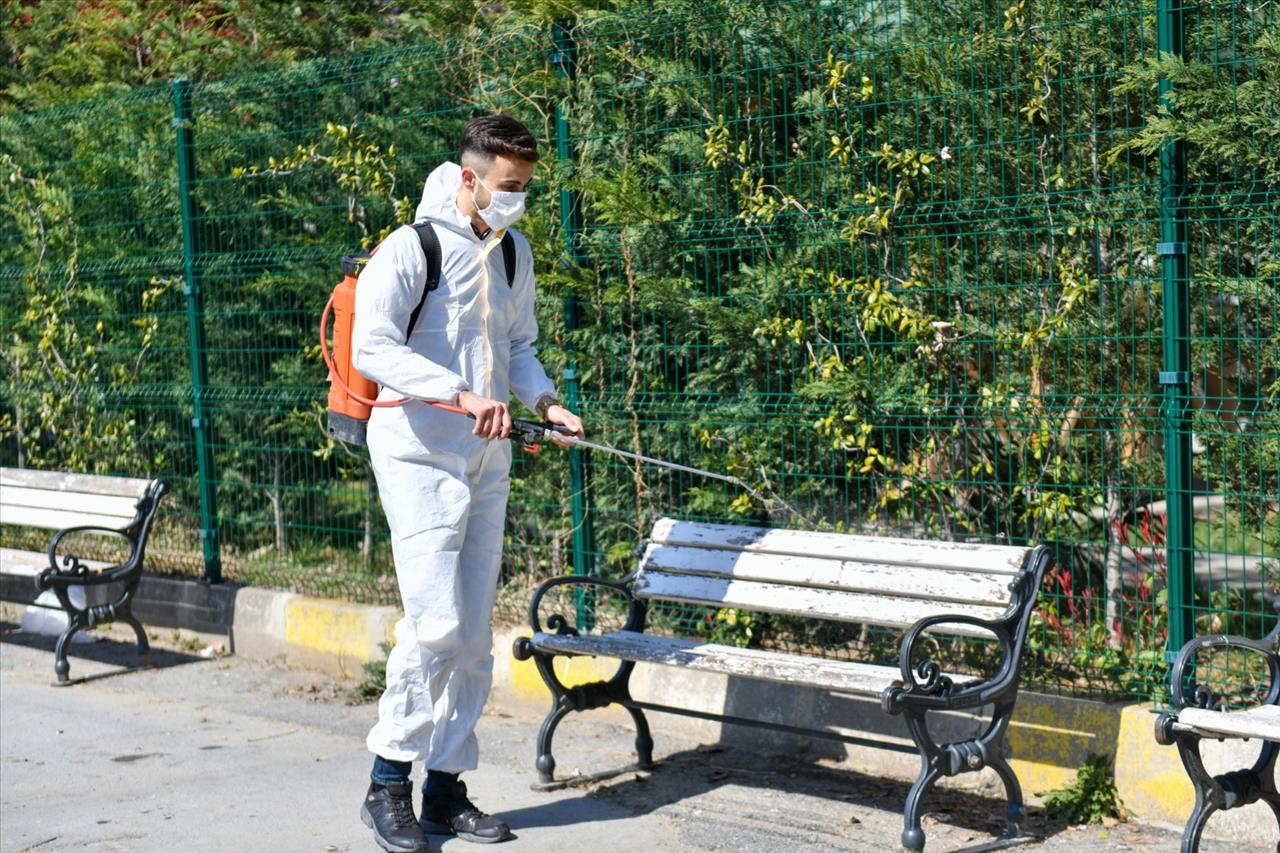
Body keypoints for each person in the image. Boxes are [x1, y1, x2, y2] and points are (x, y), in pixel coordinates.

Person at [350, 114, 583, 853]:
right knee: (435, 625)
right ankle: (387, 782)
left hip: (488, 458)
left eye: (526, 189)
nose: (517, 200)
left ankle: (445, 787)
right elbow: (372, 346)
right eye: (508, 187)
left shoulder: (514, 252)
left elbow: (518, 346)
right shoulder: (411, 247)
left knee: (475, 633)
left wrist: (545, 401)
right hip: (418, 453)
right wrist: (457, 393)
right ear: (470, 176)